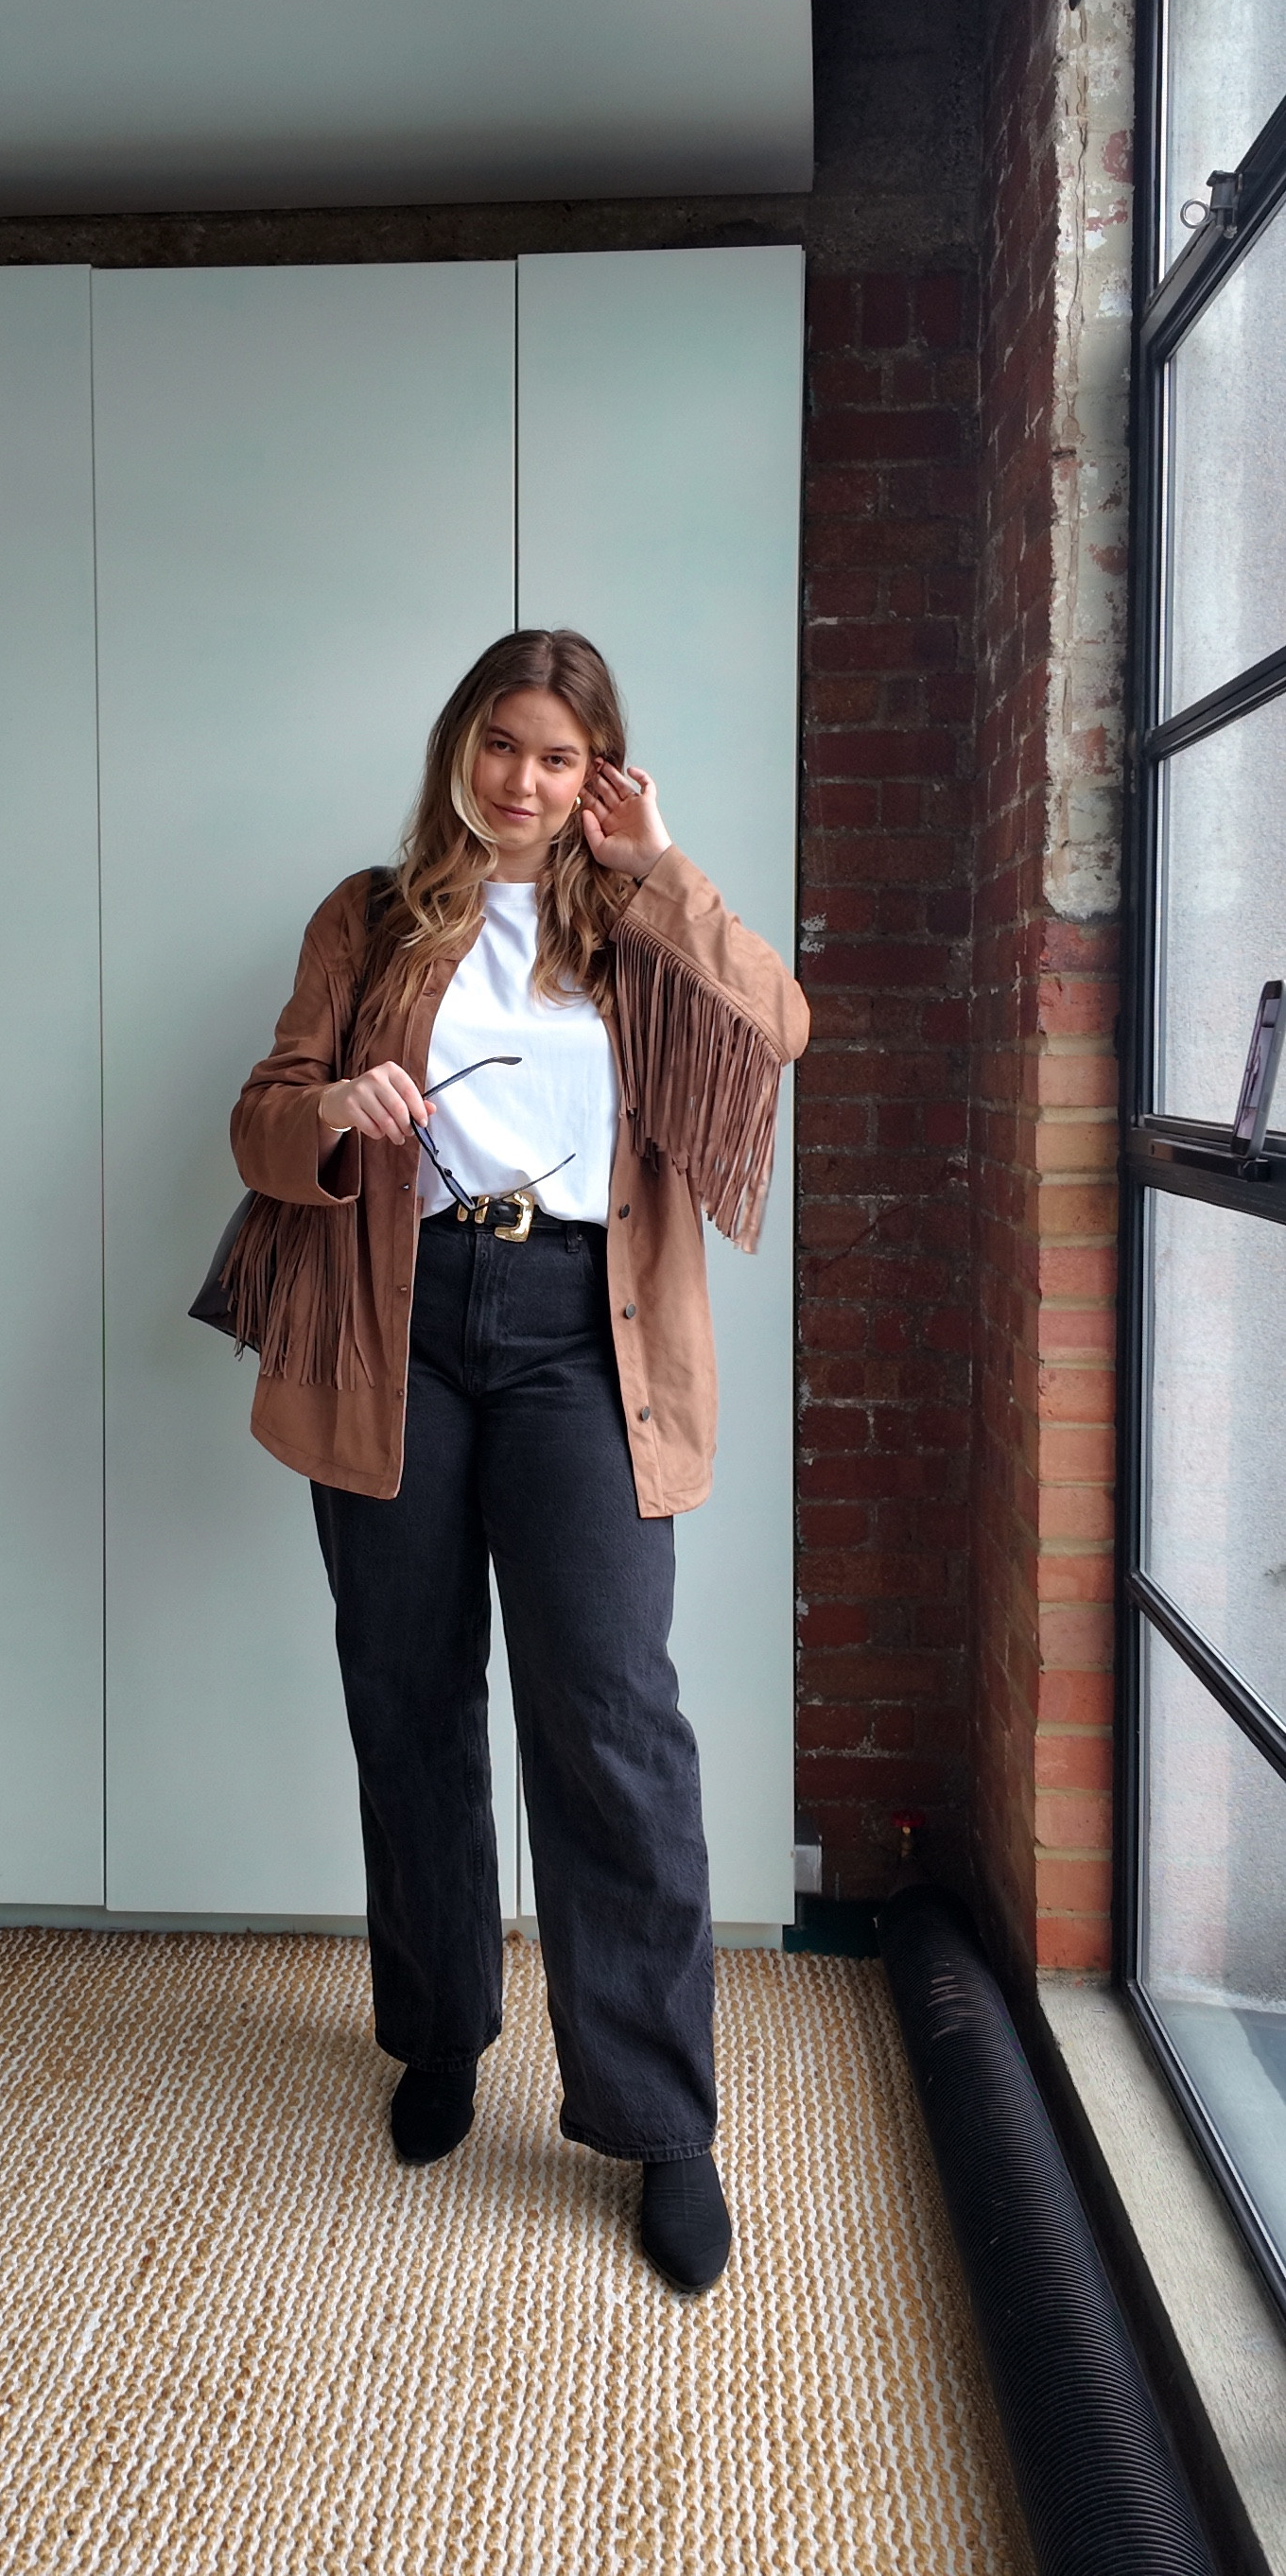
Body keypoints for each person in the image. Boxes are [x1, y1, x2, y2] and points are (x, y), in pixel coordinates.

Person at [225, 629, 808, 2293]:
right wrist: (337, 1104)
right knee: (406, 1697)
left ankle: (658, 2119)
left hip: (580, 1330)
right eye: (501, 745)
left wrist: (664, 867)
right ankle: (436, 2034)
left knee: (609, 1715)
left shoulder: (632, 922)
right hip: (399, 1318)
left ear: (598, 773)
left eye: (559, 757)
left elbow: (775, 1025)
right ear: (458, 748)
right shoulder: (370, 915)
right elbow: (261, 1118)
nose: (523, 781)